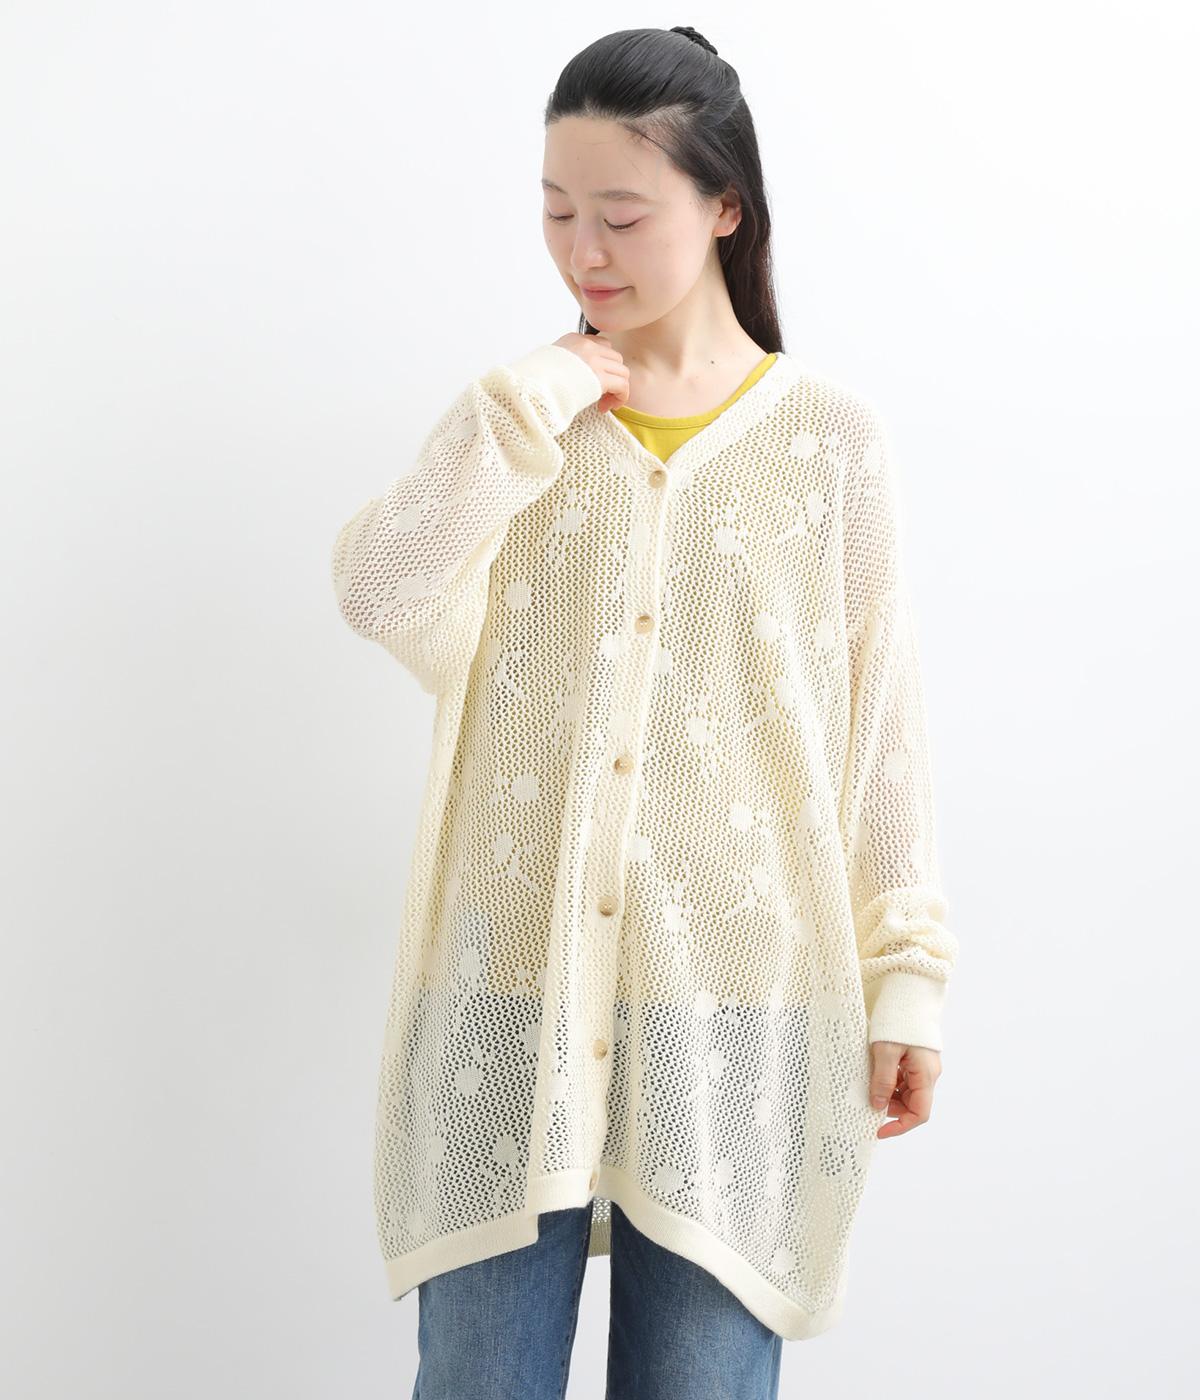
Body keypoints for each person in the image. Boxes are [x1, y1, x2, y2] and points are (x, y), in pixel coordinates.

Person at [331, 24, 958, 1400]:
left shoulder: (829, 442)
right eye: (557, 211)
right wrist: (527, 406)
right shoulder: (521, 426)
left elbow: (881, 731)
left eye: (621, 216)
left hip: (735, 1001)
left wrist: (905, 973)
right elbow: (381, 590)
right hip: (505, 998)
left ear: (725, 207)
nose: (583, 252)